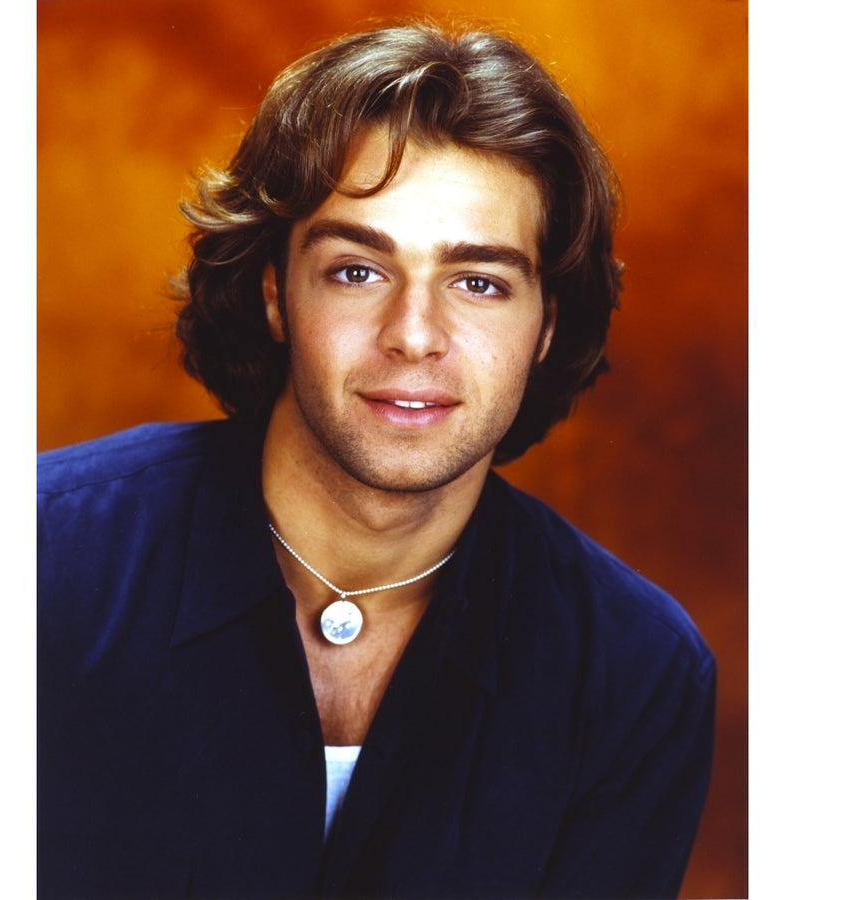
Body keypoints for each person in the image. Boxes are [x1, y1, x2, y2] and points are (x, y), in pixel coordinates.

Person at [38, 20, 715, 899]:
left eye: (478, 282)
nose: (415, 336)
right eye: (359, 270)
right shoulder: (28, 563)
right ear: (277, 292)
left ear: (546, 327)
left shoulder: (634, 675)